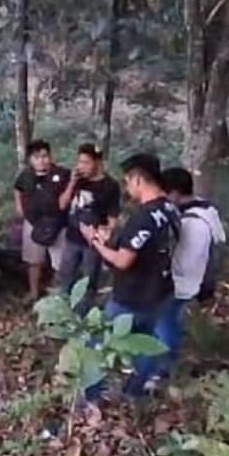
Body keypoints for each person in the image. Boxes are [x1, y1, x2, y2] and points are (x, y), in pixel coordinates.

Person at [78, 152, 179, 400]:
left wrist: (94, 241)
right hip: (158, 293)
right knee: (144, 345)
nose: (126, 187)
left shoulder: (143, 217)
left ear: (137, 180)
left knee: (98, 343)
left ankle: (91, 398)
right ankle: (134, 394)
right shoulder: (170, 209)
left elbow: (123, 261)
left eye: (127, 181)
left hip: (130, 297)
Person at [156, 166, 227, 379]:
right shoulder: (209, 212)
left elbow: (186, 259)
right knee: (173, 323)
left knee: (165, 323)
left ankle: (164, 369)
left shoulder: (191, 223)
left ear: (175, 193)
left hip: (183, 283)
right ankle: (171, 364)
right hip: (197, 282)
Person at [56, 143, 121, 315]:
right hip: (72, 237)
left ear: (98, 163)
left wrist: (104, 232)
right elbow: (62, 205)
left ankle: (83, 316)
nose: (81, 166)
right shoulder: (77, 181)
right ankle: (63, 312)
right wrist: (71, 183)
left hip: (92, 242)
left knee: (89, 280)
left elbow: (113, 217)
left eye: (86, 162)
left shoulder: (110, 186)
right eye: (80, 162)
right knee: (66, 275)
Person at [14, 140, 73, 300]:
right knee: (33, 261)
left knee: (59, 263)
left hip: (57, 223)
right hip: (33, 222)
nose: (41, 160)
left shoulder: (62, 174)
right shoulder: (25, 175)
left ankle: (58, 295)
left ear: (50, 156)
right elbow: (18, 189)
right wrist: (19, 207)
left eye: (45, 156)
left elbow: (67, 199)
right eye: (37, 157)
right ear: (30, 159)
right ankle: (33, 292)